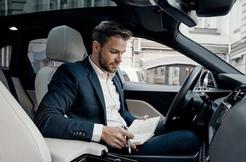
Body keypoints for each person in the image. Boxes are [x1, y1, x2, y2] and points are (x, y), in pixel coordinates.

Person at [34, 21, 200, 155]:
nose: (120, 59)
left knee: (179, 123)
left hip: (130, 134)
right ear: (96, 47)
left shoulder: (114, 74)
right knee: (188, 139)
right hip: (114, 148)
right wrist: (103, 132)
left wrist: (137, 122)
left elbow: (119, 113)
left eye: (122, 52)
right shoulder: (71, 74)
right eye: (114, 52)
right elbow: (46, 119)